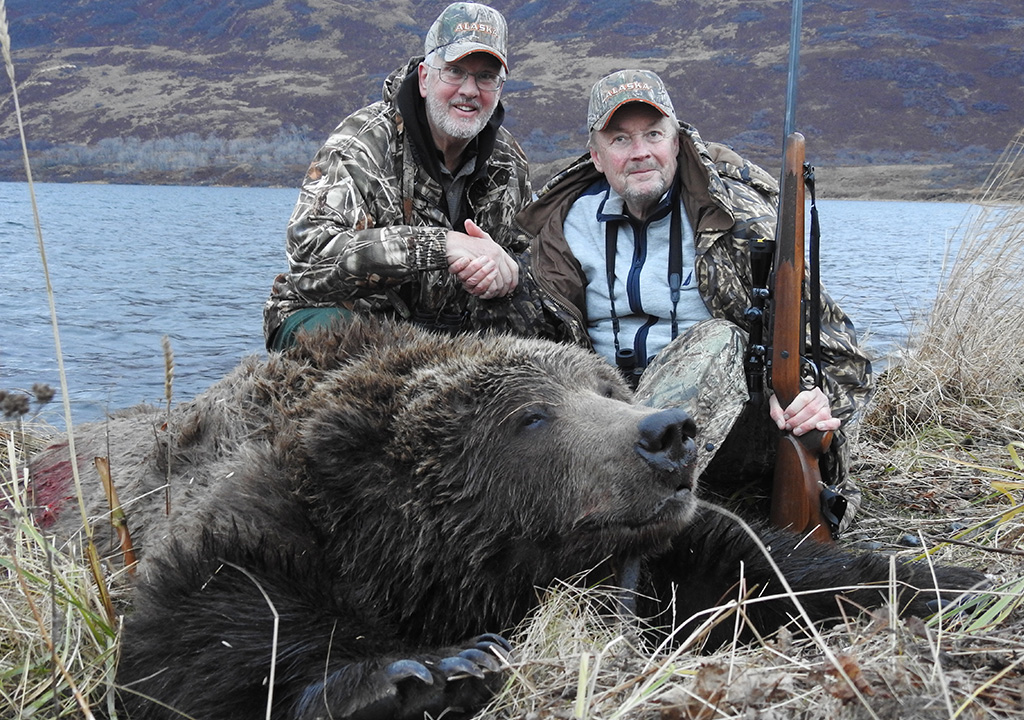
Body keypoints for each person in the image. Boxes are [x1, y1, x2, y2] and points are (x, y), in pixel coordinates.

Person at [514, 69, 873, 534]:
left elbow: (846, 359)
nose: (640, 152)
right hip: (603, 432)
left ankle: (629, 523)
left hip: (730, 435)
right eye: (620, 139)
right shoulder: (559, 231)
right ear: (597, 157)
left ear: (677, 142)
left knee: (718, 339)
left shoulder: (742, 224)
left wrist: (817, 402)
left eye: (653, 134)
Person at [263, 2, 531, 350]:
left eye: (486, 77)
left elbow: (530, 255)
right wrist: (442, 246)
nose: (469, 89)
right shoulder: (361, 143)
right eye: (454, 71)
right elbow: (310, 258)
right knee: (345, 342)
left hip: (448, 336)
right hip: (338, 315)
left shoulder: (509, 161)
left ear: (499, 87)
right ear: (424, 78)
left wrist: (506, 275)